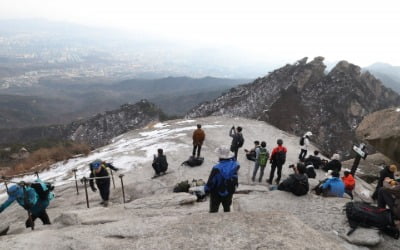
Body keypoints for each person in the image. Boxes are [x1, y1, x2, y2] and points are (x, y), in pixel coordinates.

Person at [204, 147, 240, 213]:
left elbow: (211, 182)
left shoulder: (216, 168)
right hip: (229, 191)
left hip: (216, 193)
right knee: (227, 208)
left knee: (213, 210)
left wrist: (206, 190)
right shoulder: (235, 165)